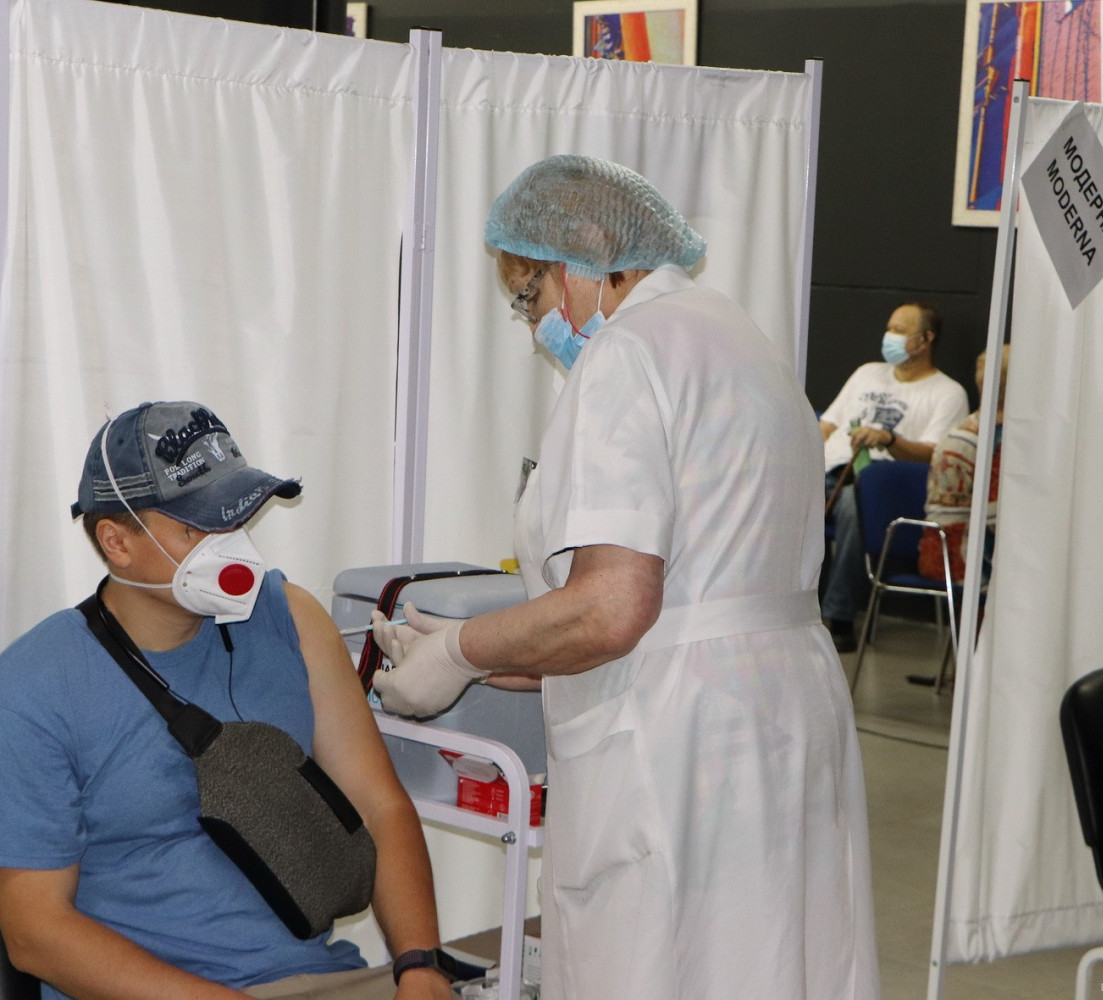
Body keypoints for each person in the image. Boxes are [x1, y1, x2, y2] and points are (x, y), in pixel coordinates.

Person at [370, 155, 880, 999]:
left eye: (528, 296)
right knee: (772, 959)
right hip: (778, 712)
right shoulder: (735, 337)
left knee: (663, 962)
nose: (534, 326)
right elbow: (687, 598)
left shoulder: (626, 353)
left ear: (583, 257)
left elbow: (613, 608)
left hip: (675, 740)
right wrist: (478, 652)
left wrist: (457, 652)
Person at [0, 401, 454, 1000]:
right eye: (199, 526)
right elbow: (36, 933)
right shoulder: (31, 691)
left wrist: (421, 966)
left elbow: (377, 805)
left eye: (237, 515)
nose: (232, 543)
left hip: (321, 977)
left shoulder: (290, 620)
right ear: (117, 541)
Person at [817, 302, 969, 651]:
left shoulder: (947, 393)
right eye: (890, 328)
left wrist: (890, 439)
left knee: (855, 507)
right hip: (829, 470)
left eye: (900, 331)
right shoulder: (867, 373)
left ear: (926, 339)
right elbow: (826, 426)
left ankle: (838, 616)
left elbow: (934, 455)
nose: (889, 336)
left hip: (881, 486)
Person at [919, 346, 1011, 584]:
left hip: (970, 547)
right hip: (959, 556)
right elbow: (998, 521)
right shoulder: (984, 441)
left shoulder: (993, 435)